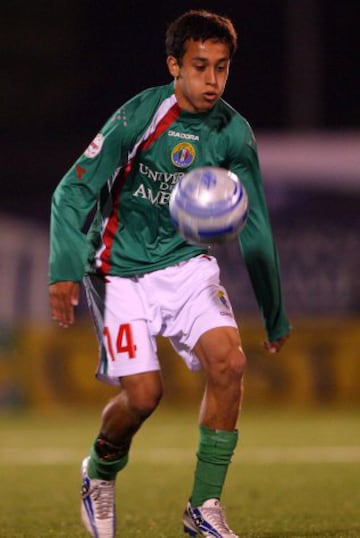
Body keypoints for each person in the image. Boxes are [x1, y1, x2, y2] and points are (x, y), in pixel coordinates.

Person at [49, 9, 290, 538]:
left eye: (222, 68)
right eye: (200, 67)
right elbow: (72, 190)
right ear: (174, 66)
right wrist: (63, 270)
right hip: (119, 272)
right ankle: (100, 471)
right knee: (143, 397)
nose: (212, 80)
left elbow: (255, 226)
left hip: (186, 264)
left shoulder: (233, 133)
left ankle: (203, 508)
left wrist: (273, 312)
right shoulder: (139, 116)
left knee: (229, 362)